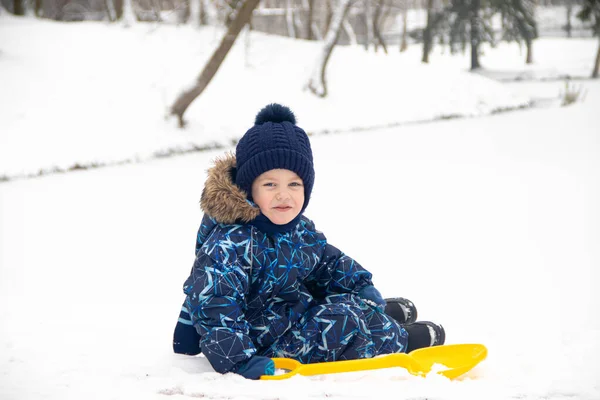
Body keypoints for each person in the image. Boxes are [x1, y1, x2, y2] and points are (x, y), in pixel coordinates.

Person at [172, 103, 445, 380]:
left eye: (294, 185)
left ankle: (375, 316)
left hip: (292, 314)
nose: (283, 195)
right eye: (270, 185)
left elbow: (328, 262)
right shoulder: (231, 244)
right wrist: (239, 360)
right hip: (261, 341)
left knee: (349, 303)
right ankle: (397, 341)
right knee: (342, 321)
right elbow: (216, 305)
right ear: (248, 189)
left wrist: (359, 286)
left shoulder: (298, 228)